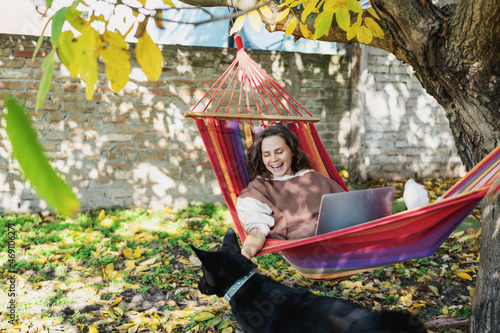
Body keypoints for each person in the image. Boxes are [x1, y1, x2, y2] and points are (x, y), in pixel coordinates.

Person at [236, 125, 345, 259]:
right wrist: (247, 251)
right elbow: (257, 230)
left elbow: (349, 210)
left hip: (340, 242)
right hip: (304, 250)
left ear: (292, 151)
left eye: (279, 152)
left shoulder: (316, 178)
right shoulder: (258, 189)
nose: (273, 159)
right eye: (267, 155)